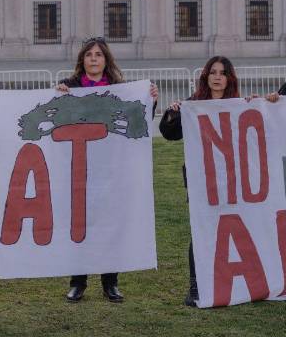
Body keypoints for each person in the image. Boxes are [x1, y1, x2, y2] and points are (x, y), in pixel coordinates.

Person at [56, 37, 158, 304]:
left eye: (98, 55)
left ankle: (110, 282)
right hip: (79, 167)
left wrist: (150, 100)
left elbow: (138, 116)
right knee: (80, 225)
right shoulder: (70, 87)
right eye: (89, 54)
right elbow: (55, 117)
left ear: (105, 60)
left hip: (111, 169)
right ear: (82, 60)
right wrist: (58, 96)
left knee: (109, 226)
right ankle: (78, 282)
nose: (93, 58)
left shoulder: (119, 89)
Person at [159, 56, 239, 307]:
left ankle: (231, 281)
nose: (217, 77)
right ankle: (196, 286)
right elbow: (170, 134)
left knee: (232, 230)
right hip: (200, 179)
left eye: (223, 72)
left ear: (229, 78)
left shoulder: (238, 104)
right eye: (213, 72)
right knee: (201, 232)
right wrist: (171, 114)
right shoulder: (193, 105)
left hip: (231, 179)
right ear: (206, 76)